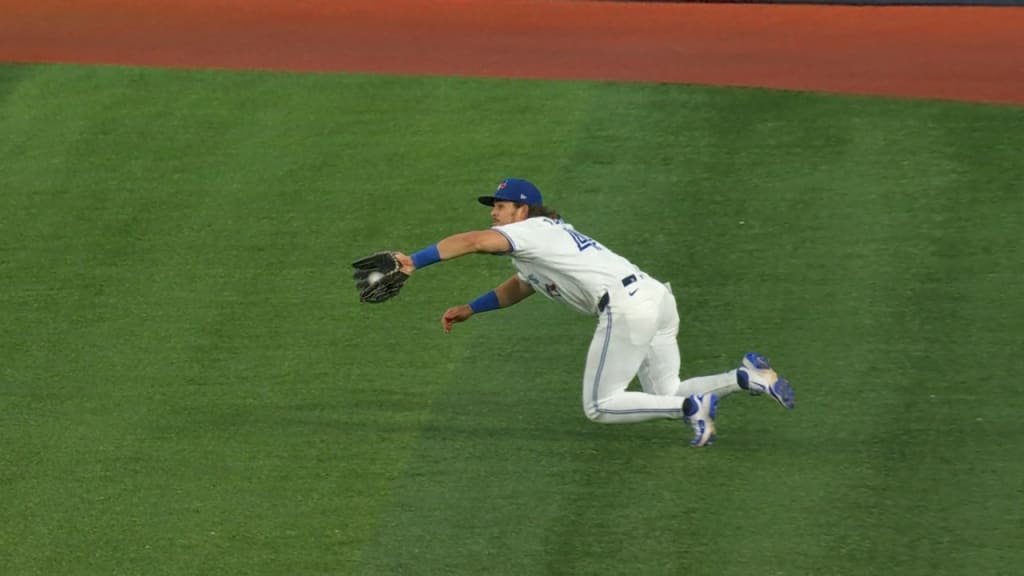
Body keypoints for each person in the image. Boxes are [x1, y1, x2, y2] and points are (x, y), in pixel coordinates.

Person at [394, 178, 795, 447]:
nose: (493, 214)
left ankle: (693, 408)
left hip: (627, 308)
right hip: (654, 298)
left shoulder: (531, 231)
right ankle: (746, 378)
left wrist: (414, 261)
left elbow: (472, 242)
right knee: (663, 391)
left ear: (522, 210)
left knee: (600, 406)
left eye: (499, 206)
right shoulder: (543, 241)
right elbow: (522, 285)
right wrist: (472, 308)